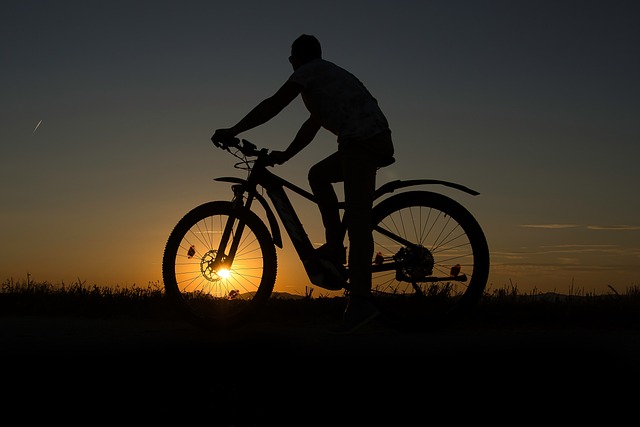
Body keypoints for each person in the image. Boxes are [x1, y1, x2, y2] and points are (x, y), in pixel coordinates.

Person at [211, 34, 394, 334]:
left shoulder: (309, 72)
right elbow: (311, 126)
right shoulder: (323, 77)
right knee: (317, 175)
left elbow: (274, 104)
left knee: (359, 223)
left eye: (291, 60)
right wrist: (285, 155)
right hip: (365, 139)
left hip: (362, 142)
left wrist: (234, 129)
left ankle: (361, 301)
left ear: (296, 59)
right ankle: (335, 246)